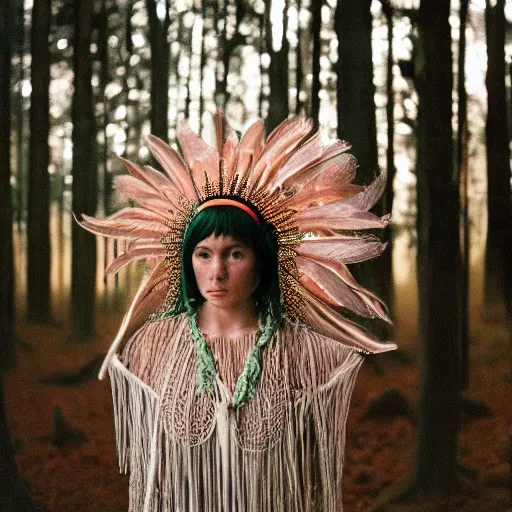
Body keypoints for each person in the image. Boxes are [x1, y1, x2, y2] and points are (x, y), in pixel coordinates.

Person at [79, 111, 396, 512]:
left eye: (235, 253)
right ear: (186, 261)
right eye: (203, 254)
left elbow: (313, 479)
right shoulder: (153, 346)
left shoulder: (305, 352)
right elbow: (150, 480)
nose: (217, 272)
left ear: (261, 262)